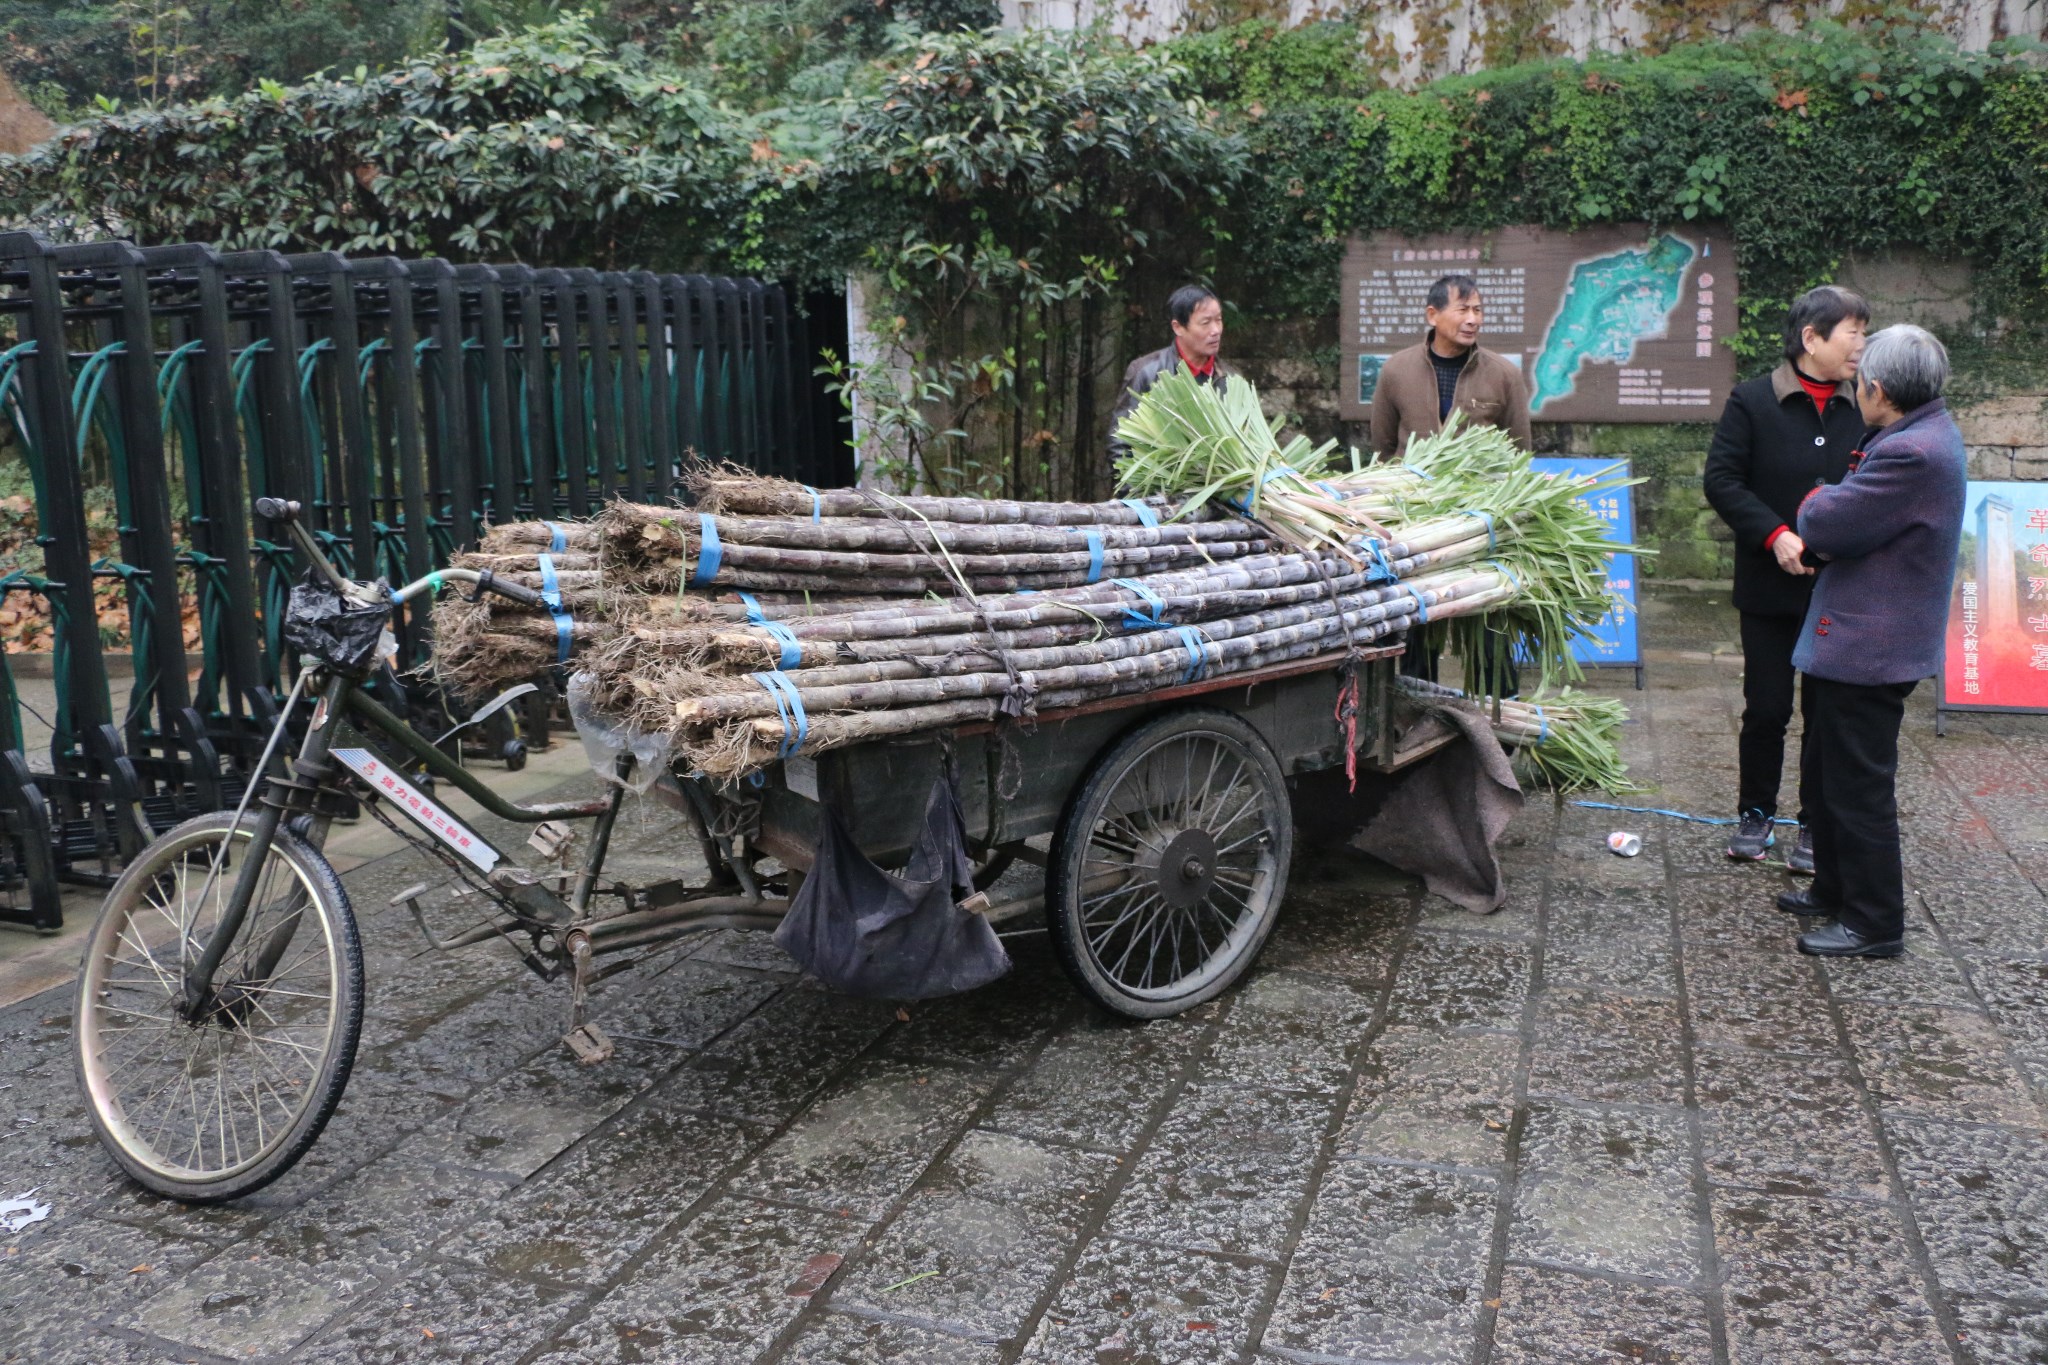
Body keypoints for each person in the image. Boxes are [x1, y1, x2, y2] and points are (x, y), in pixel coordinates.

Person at [1774, 324, 1964, 958]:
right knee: (1828, 770)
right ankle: (1833, 888)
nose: (1854, 391)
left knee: (1858, 786)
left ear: (1879, 390)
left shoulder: (1914, 452)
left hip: (1871, 648)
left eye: (1859, 383)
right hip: (1853, 639)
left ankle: (1874, 922)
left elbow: (1828, 518)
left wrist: (1816, 497)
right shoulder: (1914, 432)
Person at [1703, 285, 1869, 871]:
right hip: (1770, 585)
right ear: (1811, 338)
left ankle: (1816, 823)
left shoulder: (1867, 406)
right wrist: (1775, 535)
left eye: (1863, 334)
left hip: (1837, 589)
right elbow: (1723, 480)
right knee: (1767, 707)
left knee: (1826, 713)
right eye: (1852, 333)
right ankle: (1756, 811)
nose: (1861, 345)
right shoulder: (1752, 401)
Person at [1368, 273, 1532, 688]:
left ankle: (1500, 724)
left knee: (1490, 624)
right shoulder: (1396, 371)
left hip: (1480, 525)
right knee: (1417, 624)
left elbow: (1519, 453)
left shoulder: (1503, 375)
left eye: (1478, 310)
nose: (1472, 318)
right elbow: (1383, 446)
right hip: (1417, 523)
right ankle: (1413, 716)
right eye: (1463, 309)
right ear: (1433, 314)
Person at [1108, 285, 1232, 469]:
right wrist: (1142, 495)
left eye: (1219, 320)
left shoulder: (1230, 378)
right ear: (1178, 327)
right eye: (1205, 323)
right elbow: (1120, 444)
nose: (1216, 330)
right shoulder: (1147, 373)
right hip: (1159, 492)